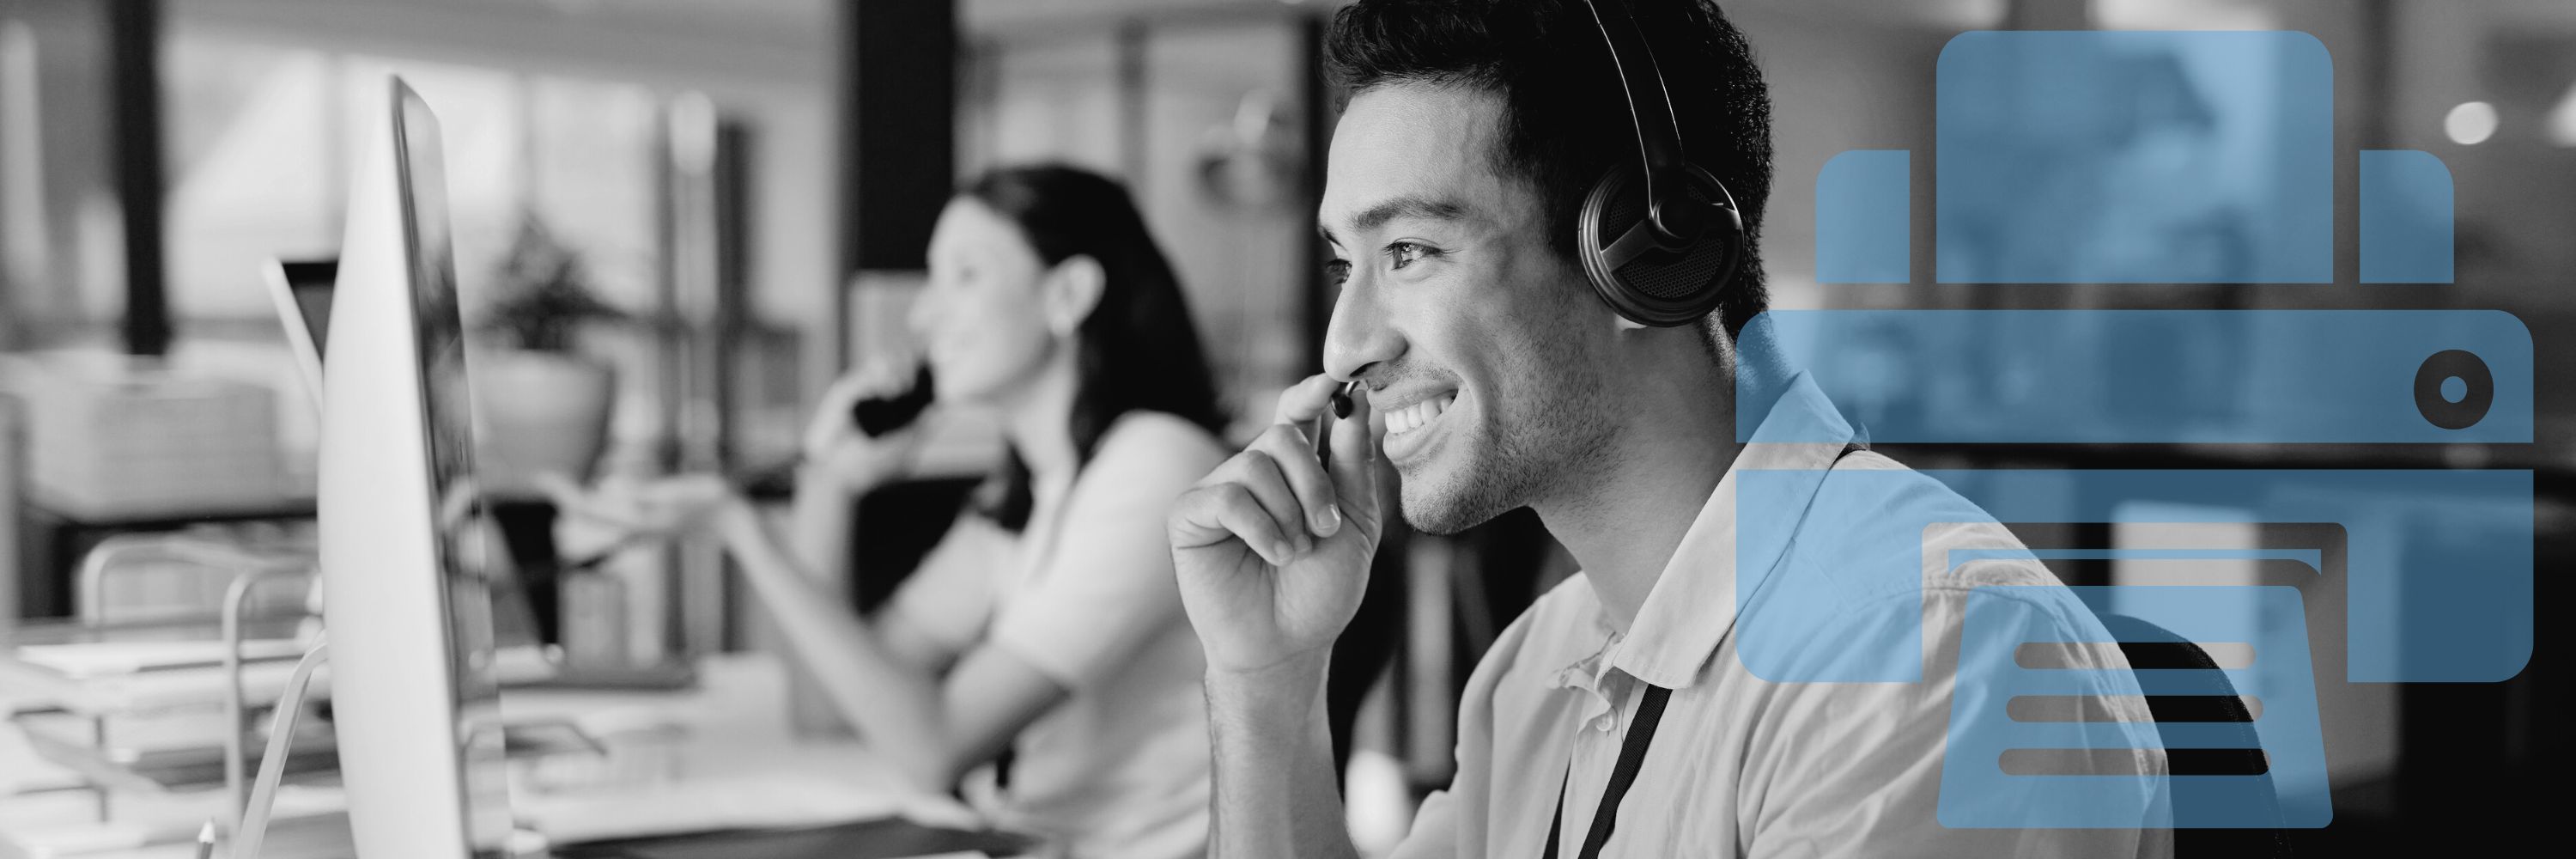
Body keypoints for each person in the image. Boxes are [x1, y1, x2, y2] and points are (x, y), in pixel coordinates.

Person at [1165, 2, 2174, 857]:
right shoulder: (1535, 669)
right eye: (1350, 262)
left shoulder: (1920, 652)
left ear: (1647, 255)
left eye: (1414, 250)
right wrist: (1267, 686)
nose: (1346, 345)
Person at [550, 165, 1231, 859]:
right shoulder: (1032, 488)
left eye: (964, 275)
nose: (923, 314)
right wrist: (830, 483)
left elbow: (932, 746)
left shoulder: (1155, 467)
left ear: (1069, 294)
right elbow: (829, 710)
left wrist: (742, 530)